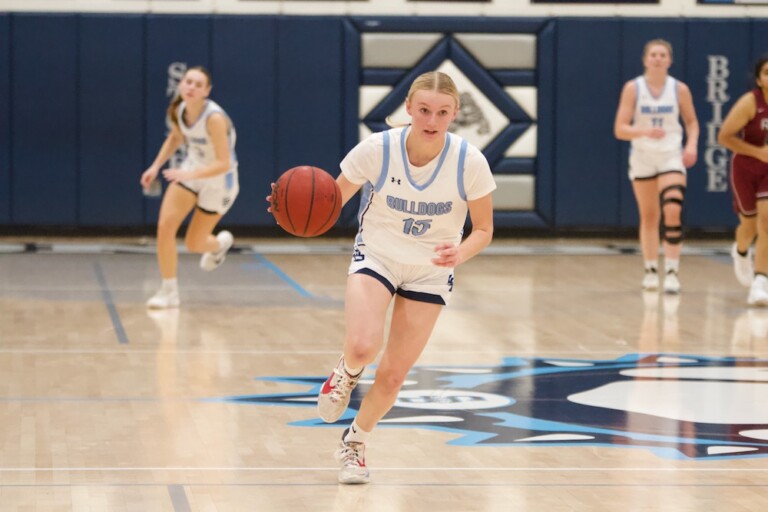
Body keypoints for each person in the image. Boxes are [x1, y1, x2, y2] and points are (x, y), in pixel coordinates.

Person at [269, 71, 496, 484]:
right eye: (424, 109)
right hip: (378, 255)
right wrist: (289, 203)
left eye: (442, 112)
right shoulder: (377, 149)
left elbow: (484, 229)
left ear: (455, 114)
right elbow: (329, 201)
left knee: (392, 377)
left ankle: (354, 442)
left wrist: (460, 252)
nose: (432, 119)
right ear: (408, 108)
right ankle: (345, 372)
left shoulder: (470, 162)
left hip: (430, 271)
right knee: (361, 346)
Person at [140, 66, 238, 309]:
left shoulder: (214, 118)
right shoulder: (180, 109)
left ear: (207, 91)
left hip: (219, 179)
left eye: (198, 84)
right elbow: (175, 137)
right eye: (188, 82)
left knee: (194, 244)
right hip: (192, 169)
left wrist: (189, 173)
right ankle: (169, 291)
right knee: (165, 227)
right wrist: (155, 166)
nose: (191, 87)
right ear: (181, 84)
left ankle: (219, 245)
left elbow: (223, 162)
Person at [614, 39, 699, 294]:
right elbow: (620, 129)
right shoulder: (633, 88)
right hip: (642, 157)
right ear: (645, 59)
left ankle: (672, 271)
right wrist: (644, 131)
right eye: (654, 54)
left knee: (673, 209)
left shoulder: (679, 89)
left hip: (671, 155)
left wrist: (691, 146)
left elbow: (692, 122)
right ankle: (651, 269)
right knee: (650, 217)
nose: (658, 58)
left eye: (663, 55)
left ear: (670, 60)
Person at [718, 56, 768, 306]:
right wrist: (759, 152)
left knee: (767, 222)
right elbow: (724, 137)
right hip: (747, 168)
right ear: (759, 79)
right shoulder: (750, 103)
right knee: (749, 227)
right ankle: (740, 250)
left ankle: (761, 281)